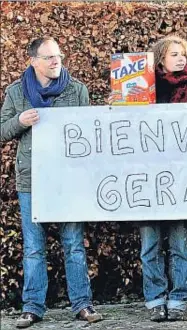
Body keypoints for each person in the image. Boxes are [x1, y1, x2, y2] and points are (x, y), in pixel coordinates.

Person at [0, 36, 103, 328]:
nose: (56, 61)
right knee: (33, 247)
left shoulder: (77, 90)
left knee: (73, 244)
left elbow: (90, 134)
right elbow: (1, 130)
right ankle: (32, 308)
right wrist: (20, 120)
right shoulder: (17, 91)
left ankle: (83, 305)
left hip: (68, 180)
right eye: (48, 57)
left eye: (58, 55)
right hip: (32, 180)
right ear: (33, 61)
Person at [120, 35, 187, 322]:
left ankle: (179, 298)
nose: (181, 59)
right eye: (174, 54)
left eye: (184, 54)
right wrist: (117, 105)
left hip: (182, 180)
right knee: (150, 246)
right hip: (147, 180)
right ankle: (155, 298)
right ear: (160, 59)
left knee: (179, 245)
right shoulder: (140, 92)